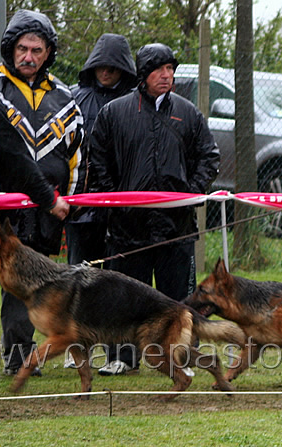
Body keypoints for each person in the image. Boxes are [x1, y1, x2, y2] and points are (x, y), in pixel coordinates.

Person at [0, 9, 83, 377]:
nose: (29, 57)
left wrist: (64, 202)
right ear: (10, 48)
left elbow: (74, 156)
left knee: (28, 288)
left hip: (39, 215)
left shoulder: (65, 98)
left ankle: (19, 357)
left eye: (37, 50)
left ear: (48, 52)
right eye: (22, 48)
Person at [88, 43, 220, 375]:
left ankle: (185, 356)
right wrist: (115, 198)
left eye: (171, 69)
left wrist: (189, 193)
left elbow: (209, 157)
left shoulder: (188, 112)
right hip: (127, 228)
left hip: (176, 227)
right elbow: (99, 158)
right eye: (160, 69)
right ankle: (122, 357)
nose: (167, 76)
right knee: (123, 296)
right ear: (144, 74)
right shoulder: (115, 112)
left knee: (180, 298)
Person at [65, 33, 137, 266]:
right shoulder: (73, 97)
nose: (105, 73)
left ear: (122, 69)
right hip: (83, 196)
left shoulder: (135, 101)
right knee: (80, 271)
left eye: (112, 68)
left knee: (120, 274)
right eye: (100, 67)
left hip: (122, 196)